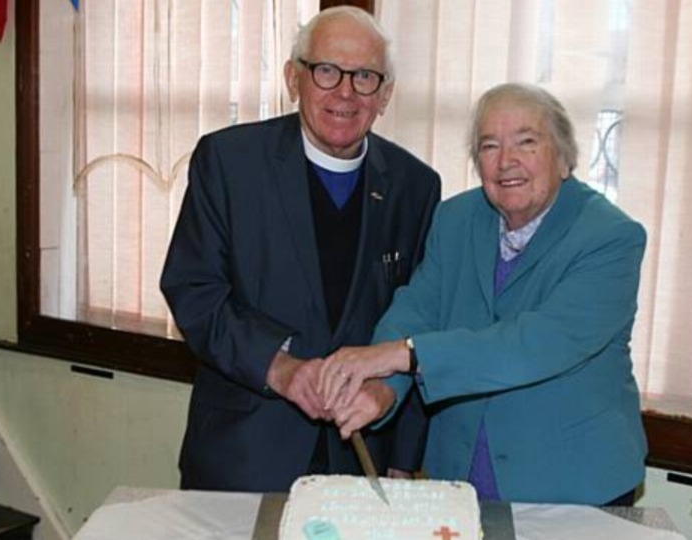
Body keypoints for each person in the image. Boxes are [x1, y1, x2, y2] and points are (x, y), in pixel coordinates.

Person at [319, 83, 648, 505]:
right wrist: (384, 387)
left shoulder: (610, 238)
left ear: (565, 158)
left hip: (573, 484)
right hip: (459, 478)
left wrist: (402, 355)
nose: (506, 161)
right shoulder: (455, 218)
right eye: (489, 146)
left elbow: (534, 344)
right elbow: (418, 308)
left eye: (526, 142)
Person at [160, 6, 440, 492]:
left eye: (366, 77)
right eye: (327, 71)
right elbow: (194, 291)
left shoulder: (415, 187)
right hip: (244, 451)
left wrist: (405, 454)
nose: (345, 92)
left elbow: (422, 317)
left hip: (362, 457)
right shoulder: (228, 163)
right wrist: (281, 369)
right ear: (294, 78)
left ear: (386, 95)